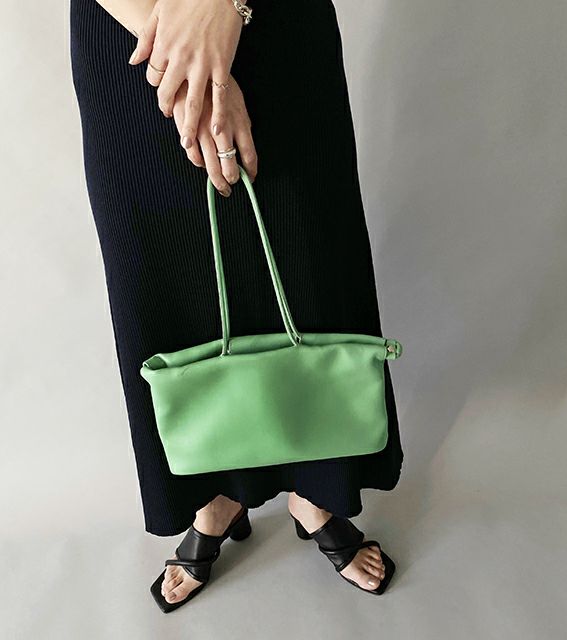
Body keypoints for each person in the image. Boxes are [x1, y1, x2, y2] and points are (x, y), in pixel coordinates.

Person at [70, 0, 404, 612]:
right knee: (168, 272)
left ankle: (318, 488)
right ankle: (213, 496)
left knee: (309, 259)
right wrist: (183, 60)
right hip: (132, 34)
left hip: (276, 21)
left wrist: (224, 8)